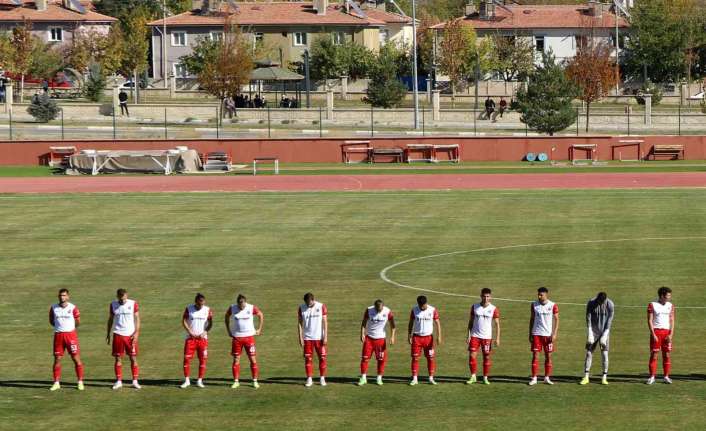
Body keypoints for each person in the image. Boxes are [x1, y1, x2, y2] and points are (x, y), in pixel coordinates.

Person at [49, 289, 84, 391]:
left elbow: (78, 321)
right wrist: (59, 328)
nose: (62, 297)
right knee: (57, 359)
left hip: (70, 336)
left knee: (76, 359)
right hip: (58, 336)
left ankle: (80, 381)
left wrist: (70, 329)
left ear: (68, 296)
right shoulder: (54, 308)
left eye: (64, 295)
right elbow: (51, 320)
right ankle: (56, 382)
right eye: (60, 295)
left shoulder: (73, 308)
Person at [226, 294, 264, 389]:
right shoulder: (232, 308)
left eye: (242, 306)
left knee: (252, 359)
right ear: (237, 303)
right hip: (237, 338)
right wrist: (228, 330)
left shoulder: (251, 308)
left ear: (245, 303)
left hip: (249, 338)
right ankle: (236, 381)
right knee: (236, 359)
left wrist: (259, 329)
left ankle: (255, 381)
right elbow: (226, 316)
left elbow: (260, 315)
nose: (241, 307)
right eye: (239, 306)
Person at [106, 288, 141, 390]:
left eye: (124, 298)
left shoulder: (133, 304)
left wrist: (137, 333)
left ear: (127, 295)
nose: (122, 300)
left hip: (130, 335)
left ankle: (135, 381)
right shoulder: (113, 305)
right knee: (118, 358)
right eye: (120, 299)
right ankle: (119, 381)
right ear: (117, 297)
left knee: (133, 358)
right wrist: (108, 333)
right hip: (118, 334)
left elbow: (137, 319)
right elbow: (110, 319)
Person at [358, 299, 396, 386]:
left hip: (380, 340)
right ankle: (363, 378)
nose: (379, 311)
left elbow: (393, 325)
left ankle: (379, 378)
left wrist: (392, 337)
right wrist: (362, 333)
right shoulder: (369, 310)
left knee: (381, 360)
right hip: (369, 339)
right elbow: (364, 322)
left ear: (383, 306)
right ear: (374, 307)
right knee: (365, 359)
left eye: (380, 309)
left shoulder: (387, 312)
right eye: (377, 309)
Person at [466, 288, 500, 385]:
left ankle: (485, 377)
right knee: (472, 356)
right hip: (475, 336)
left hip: (487, 337)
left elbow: (497, 324)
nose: (486, 298)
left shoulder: (493, 309)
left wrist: (497, 338)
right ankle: (473, 376)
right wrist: (468, 335)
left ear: (491, 297)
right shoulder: (475, 307)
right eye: (484, 296)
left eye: (488, 296)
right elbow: (471, 322)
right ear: (481, 296)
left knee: (487, 357)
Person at [580, 292, 614, 385]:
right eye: (599, 302)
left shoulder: (610, 304)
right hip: (593, 331)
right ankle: (586, 377)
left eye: (601, 302)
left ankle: (604, 377)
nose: (600, 304)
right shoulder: (591, 302)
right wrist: (590, 332)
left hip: (604, 331)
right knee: (589, 353)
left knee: (605, 354)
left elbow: (610, 320)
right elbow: (588, 317)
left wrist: (605, 334)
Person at [408, 295, 442, 386]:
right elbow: (411, 322)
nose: (422, 307)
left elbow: (437, 323)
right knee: (415, 358)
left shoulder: (432, 310)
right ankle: (415, 378)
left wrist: (439, 336)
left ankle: (431, 378)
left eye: (423, 306)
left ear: (426, 303)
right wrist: (409, 335)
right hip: (417, 338)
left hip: (428, 338)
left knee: (430, 358)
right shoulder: (414, 310)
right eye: (420, 306)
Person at [180, 293, 213, 389]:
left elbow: (211, 323)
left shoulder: (207, 310)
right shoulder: (189, 308)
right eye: (199, 304)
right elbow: (184, 320)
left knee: (202, 359)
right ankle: (187, 380)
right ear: (196, 302)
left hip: (202, 339)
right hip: (190, 339)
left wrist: (205, 332)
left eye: (202, 304)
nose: (201, 306)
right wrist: (189, 331)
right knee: (186, 359)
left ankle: (199, 380)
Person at [528, 286, 559, 386]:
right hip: (537, 334)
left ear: (546, 295)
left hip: (548, 335)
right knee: (535, 356)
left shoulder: (553, 305)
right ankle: (534, 378)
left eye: (541, 294)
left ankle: (546, 377)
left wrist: (554, 333)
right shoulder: (534, 305)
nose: (539, 296)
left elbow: (557, 319)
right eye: (538, 294)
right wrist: (530, 333)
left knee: (548, 357)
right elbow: (532, 319)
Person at [298, 292, 328, 387]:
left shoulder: (321, 306)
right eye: (307, 304)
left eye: (309, 303)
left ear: (313, 300)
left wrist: (325, 336)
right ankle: (309, 378)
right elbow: (299, 323)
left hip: (319, 338)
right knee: (308, 359)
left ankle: (322, 378)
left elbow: (325, 322)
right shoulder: (301, 308)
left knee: (322, 358)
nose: (308, 305)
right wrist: (300, 337)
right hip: (307, 338)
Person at [647, 287, 675, 385]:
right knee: (654, 355)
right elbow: (650, 320)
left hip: (666, 333)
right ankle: (652, 377)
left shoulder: (670, 305)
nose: (670, 297)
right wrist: (653, 333)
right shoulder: (652, 305)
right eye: (668, 295)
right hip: (656, 333)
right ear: (662, 296)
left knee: (666, 354)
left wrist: (671, 334)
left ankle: (666, 376)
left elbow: (672, 320)